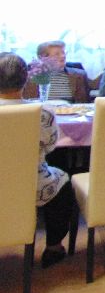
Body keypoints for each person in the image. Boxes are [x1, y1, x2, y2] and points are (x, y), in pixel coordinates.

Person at [0, 52, 75, 268]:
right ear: (26, 80)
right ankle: (54, 247)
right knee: (62, 180)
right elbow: (51, 146)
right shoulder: (43, 113)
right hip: (32, 183)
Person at [22, 40, 91, 102]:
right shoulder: (29, 78)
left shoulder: (79, 76)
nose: (63, 56)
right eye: (57, 54)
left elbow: (84, 104)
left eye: (63, 52)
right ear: (42, 58)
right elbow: (27, 104)